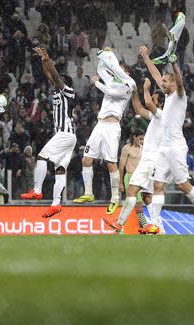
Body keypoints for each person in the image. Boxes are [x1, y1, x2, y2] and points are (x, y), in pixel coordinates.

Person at [140, 45, 194, 234]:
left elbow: (180, 81)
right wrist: (146, 57)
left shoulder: (180, 96)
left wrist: (174, 64)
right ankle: (155, 224)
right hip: (164, 149)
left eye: (165, 82)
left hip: (176, 147)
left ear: (172, 84)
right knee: (158, 185)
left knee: (182, 185)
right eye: (162, 81)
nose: (162, 84)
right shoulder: (167, 95)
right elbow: (156, 74)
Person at [73, 48, 136, 215]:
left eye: (121, 68)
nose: (117, 70)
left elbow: (111, 92)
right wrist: (106, 54)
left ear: (127, 72)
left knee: (110, 163)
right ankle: (88, 193)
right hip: (100, 125)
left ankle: (115, 197)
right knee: (86, 159)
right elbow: (101, 69)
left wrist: (96, 83)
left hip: (112, 127)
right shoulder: (113, 80)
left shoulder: (128, 85)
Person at [104, 78, 166, 234]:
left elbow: (148, 105)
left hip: (151, 161)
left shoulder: (161, 115)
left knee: (132, 191)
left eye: (154, 99)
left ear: (160, 104)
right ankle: (158, 228)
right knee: (147, 198)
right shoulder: (155, 117)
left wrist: (145, 88)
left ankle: (120, 223)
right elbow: (139, 109)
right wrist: (134, 92)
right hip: (152, 161)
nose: (151, 101)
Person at [20, 47, 77, 218]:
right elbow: (49, 74)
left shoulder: (68, 92)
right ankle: (56, 203)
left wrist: (49, 58)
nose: (56, 81)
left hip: (64, 134)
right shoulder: (58, 92)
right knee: (60, 169)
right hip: (68, 136)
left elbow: (56, 77)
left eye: (60, 80)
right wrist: (44, 60)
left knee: (42, 157)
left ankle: (37, 190)